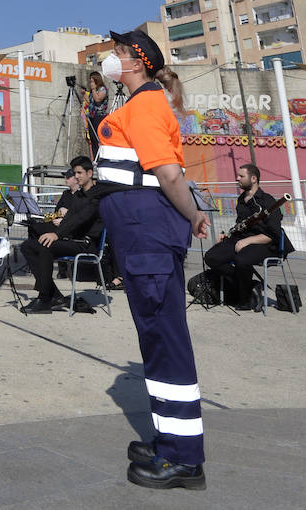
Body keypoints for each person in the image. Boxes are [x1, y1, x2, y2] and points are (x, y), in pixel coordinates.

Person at [95, 28, 207, 491]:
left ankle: (183, 459)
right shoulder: (138, 103)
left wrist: (194, 214)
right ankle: (168, 439)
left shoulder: (144, 106)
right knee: (155, 336)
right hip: (141, 232)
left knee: (164, 337)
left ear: (137, 62)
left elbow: (168, 174)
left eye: (118, 52)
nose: (110, 59)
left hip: (148, 233)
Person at [20, 156, 103, 312]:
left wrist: (56, 235)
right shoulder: (78, 195)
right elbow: (69, 219)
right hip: (72, 240)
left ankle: (44, 298)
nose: (76, 176)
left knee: (47, 246)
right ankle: (56, 296)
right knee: (27, 246)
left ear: (90, 173)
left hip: (86, 244)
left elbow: (80, 219)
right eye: (75, 173)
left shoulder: (96, 196)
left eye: (79, 173)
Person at [204, 163, 292, 309]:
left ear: (253, 179)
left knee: (241, 260)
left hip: (265, 243)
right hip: (240, 239)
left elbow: (273, 234)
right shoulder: (241, 199)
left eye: (241, 176)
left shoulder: (268, 201)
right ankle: (249, 285)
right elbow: (240, 225)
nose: (237, 178)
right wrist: (226, 235)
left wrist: (248, 241)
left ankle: (244, 300)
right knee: (211, 257)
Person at [83, 70, 110, 156]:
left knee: (99, 138)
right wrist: (84, 95)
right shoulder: (93, 91)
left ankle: (102, 156)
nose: (90, 83)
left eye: (92, 81)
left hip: (99, 117)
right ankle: (95, 157)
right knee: (92, 138)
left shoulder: (102, 89)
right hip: (92, 116)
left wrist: (94, 89)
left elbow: (98, 99)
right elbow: (91, 102)